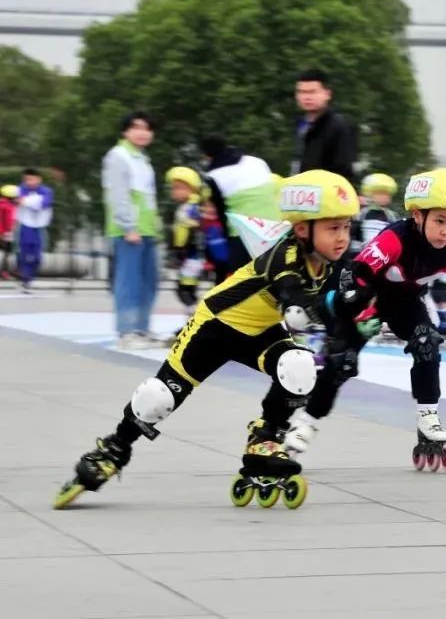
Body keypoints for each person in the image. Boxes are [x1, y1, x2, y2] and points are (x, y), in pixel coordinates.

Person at [54, 170, 360, 510]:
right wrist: (335, 327)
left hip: (259, 331)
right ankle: (113, 449)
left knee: (299, 365)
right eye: (333, 228)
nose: (342, 237)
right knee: (159, 397)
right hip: (214, 327)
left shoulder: (326, 261)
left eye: (346, 227)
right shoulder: (285, 255)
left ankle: (264, 441)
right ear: (302, 229)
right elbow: (296, 303)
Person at [280, 168, 446, 473]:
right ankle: (305, 422)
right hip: (365, 297)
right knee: (342, 361)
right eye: (440, 221)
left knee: (427, 343)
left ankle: (428, 417)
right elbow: (355, 278)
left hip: (404, 302)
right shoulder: (395, 239)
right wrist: (364, 314)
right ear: (417, 216)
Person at [103, 113, 161, 348]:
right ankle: (126, 333)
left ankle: (141, 329)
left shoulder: (143, 159)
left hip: (146, 230)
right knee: (129, 282)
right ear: (125, 131)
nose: (142, 132)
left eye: (147, 128)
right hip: (129, 230)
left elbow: (149, 197)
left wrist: (155, 228)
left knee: (148, 282)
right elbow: (118, 194)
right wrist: (128, 227)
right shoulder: (118, 156)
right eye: (136, 127)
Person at [199, 134, 281, 271]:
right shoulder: (257, 161)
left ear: (206, 156)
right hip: (275, 229)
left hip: (243, 235)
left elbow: (220, 213)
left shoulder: (213, 176)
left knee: (242, 279)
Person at [292, 68, 358, 181]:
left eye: (312, 92)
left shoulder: (338, 126)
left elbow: (345, 169)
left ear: (327, 94)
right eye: (302, 92)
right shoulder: (300, 124)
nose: (307, 97)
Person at [164, 167, 207, 338]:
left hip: (193, 256)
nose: (175, 191)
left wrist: (180, 249)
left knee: (186, 291)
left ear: (193, 189)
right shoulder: (187, 207)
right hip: (188, 256)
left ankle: (196, 324)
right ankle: (192, 324)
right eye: (174, 187)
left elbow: (195, 229)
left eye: (180, 188)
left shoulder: (192, 208)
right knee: (187, 290)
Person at [14, 168, 55, 293]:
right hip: (25, 225)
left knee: (37, 257)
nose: (29, 182)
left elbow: (44, 204)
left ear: (39, 179)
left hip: (40, 226)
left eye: (32, 179)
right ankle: (25, 280)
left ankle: (29, 277)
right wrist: (29, 201)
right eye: (26, 179)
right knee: (24, 253)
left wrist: (26, 202)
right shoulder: (21, 189)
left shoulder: (46, 191)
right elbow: (17, 200)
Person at [351, 172, 399, 255]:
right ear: (371, 194)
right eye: (380, 193)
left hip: (384, 255)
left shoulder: (392, 216)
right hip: (363, 254)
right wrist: (354, 255)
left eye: (387, 194)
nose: (384, 197)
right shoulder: (362, 214)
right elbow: (355, 235)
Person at [0, 184, 17, 279]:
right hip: (5, 233)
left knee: (6, 253)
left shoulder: (5, 205)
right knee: (6, 253)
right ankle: (4, 273)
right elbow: (7, 222)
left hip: (5, 232)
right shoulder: (7, 207)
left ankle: (4, 272)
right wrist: (2, 233)